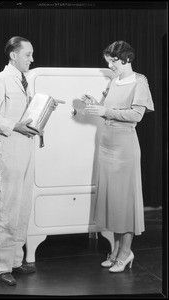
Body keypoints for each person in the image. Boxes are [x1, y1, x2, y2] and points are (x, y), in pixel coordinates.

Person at [0, 36, 58, 285]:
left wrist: (45, 107)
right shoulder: (0, 80)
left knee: (22, 208)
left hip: (25, 149)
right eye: (27, 54)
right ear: (13, 55)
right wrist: (14, 126)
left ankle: (15, 260)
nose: (32, 59)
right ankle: (2, 267)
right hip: (8, 150)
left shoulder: (22, 81)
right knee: (6, 209)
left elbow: (23, 112)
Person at [81, 41, 154, 273]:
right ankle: (115, 251)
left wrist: (105, 112)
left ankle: (126, 252)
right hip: (106, 145)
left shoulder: (139, 82)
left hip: (124, 148)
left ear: (126, 59)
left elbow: (136, 115)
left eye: (113, 61)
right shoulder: (114, 81)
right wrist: (94, 104)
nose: (110, 66)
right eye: (108, 62)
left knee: (125, 202)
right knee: (112, 201)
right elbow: (106, 109)